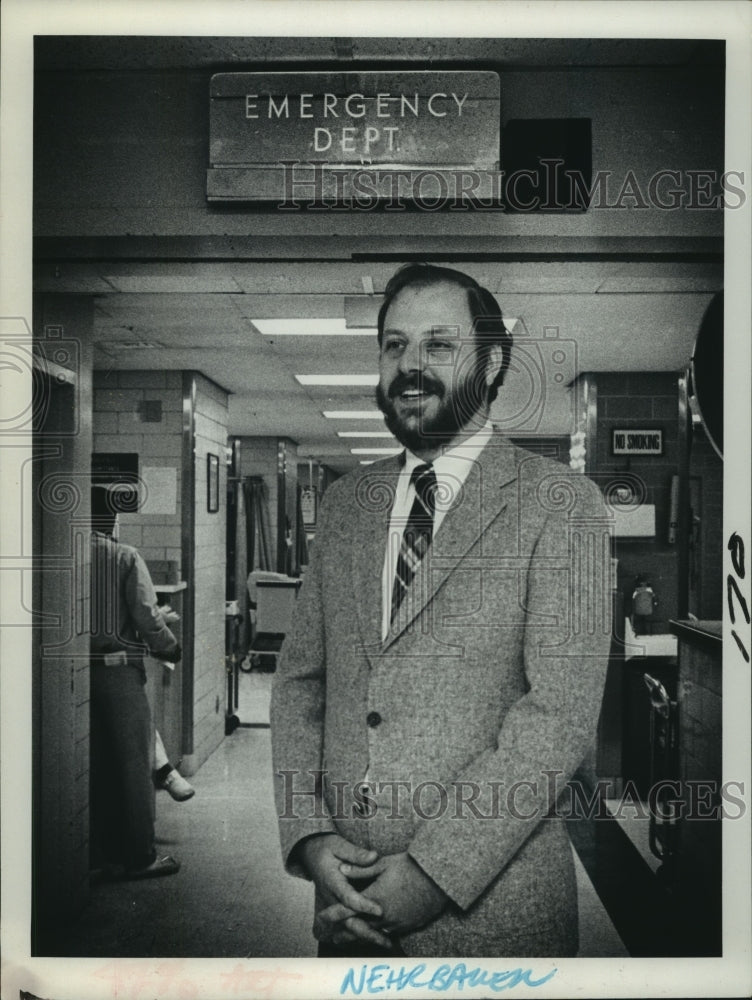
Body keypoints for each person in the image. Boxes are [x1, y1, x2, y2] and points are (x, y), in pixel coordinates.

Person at [270, 263, 612, 957]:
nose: (409, 367)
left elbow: (558, 718)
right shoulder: (344, 509)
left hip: (492, 917)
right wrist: (309, 836)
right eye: (394, 346)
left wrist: (428, 878)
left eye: (438, 345)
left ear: (490, 367)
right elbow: (301, 686)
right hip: (349, 903)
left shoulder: (563, 506)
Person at [89, 484, 183, 879]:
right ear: (111, 517)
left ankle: (93, 850)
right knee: (132, 765)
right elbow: (145, 616)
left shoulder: (55, 552)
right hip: (116, 672)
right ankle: (139, 855)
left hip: (69, 676)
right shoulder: (122, 555)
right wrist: (170, 646)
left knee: (91, 764)